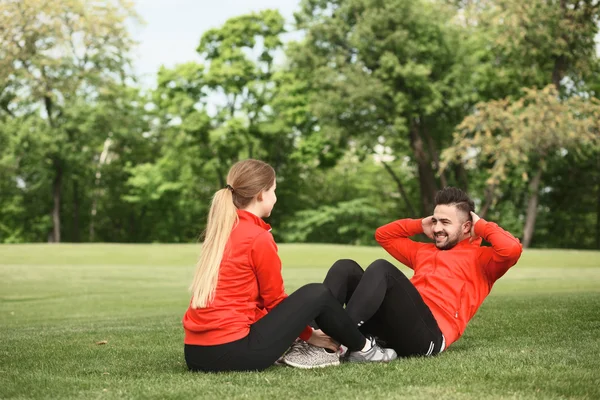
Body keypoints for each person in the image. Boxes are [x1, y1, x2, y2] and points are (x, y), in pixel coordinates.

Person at [182, 159, 397, 372]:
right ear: (260, 194)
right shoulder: (257, 237)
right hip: (233, 352)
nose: (275, 198)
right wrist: (310, 335)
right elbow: (274, 302)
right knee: (317, 293)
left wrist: (299, 332)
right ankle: (365, 350)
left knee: (313, 297)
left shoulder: (221, 231)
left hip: (195, 353)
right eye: (273, 191)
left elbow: (246, 303)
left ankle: (329, 347)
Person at [282, 187, 522, 367]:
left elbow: (511, 249)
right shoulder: (425, 251)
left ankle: (336, 345)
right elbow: (383, 235)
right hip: (395, 326)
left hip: (428, 337)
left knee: (382, 269)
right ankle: (311, 340)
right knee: (345, 267)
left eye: (446, 222)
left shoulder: (484, 261)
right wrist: (419, 224)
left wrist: (483, 226)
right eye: (435, 220)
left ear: (467, 227)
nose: (437, 228)